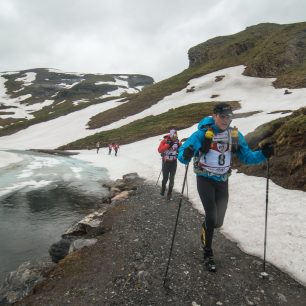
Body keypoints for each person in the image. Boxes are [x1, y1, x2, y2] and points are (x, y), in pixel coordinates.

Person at [178, 102, 274, 272]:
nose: (225, 120)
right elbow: (185, 152)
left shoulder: (235, 135)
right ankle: (208, 253)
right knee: (211, 215)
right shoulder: (202, 134)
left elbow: (247, 157)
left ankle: (206, 228)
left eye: (229, 116)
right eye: (222, 116)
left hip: (223, 181)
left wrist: (263, 154)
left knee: (218, 221)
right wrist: (185, 154)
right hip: (205, 179)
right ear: (214, 116)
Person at [158, 129, 182, 200]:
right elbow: (159, 150)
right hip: (165, 162)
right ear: (170, 135)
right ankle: (163, 189)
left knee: (172, 179)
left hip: (173, 162)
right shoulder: (164, 141)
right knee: (165, 178)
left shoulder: (178, 142)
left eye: (175, 135)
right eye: (173, 135)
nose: (174, 137)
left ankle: (169, 193)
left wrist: (181, 152)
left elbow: (181, 150)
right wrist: (167, 145)